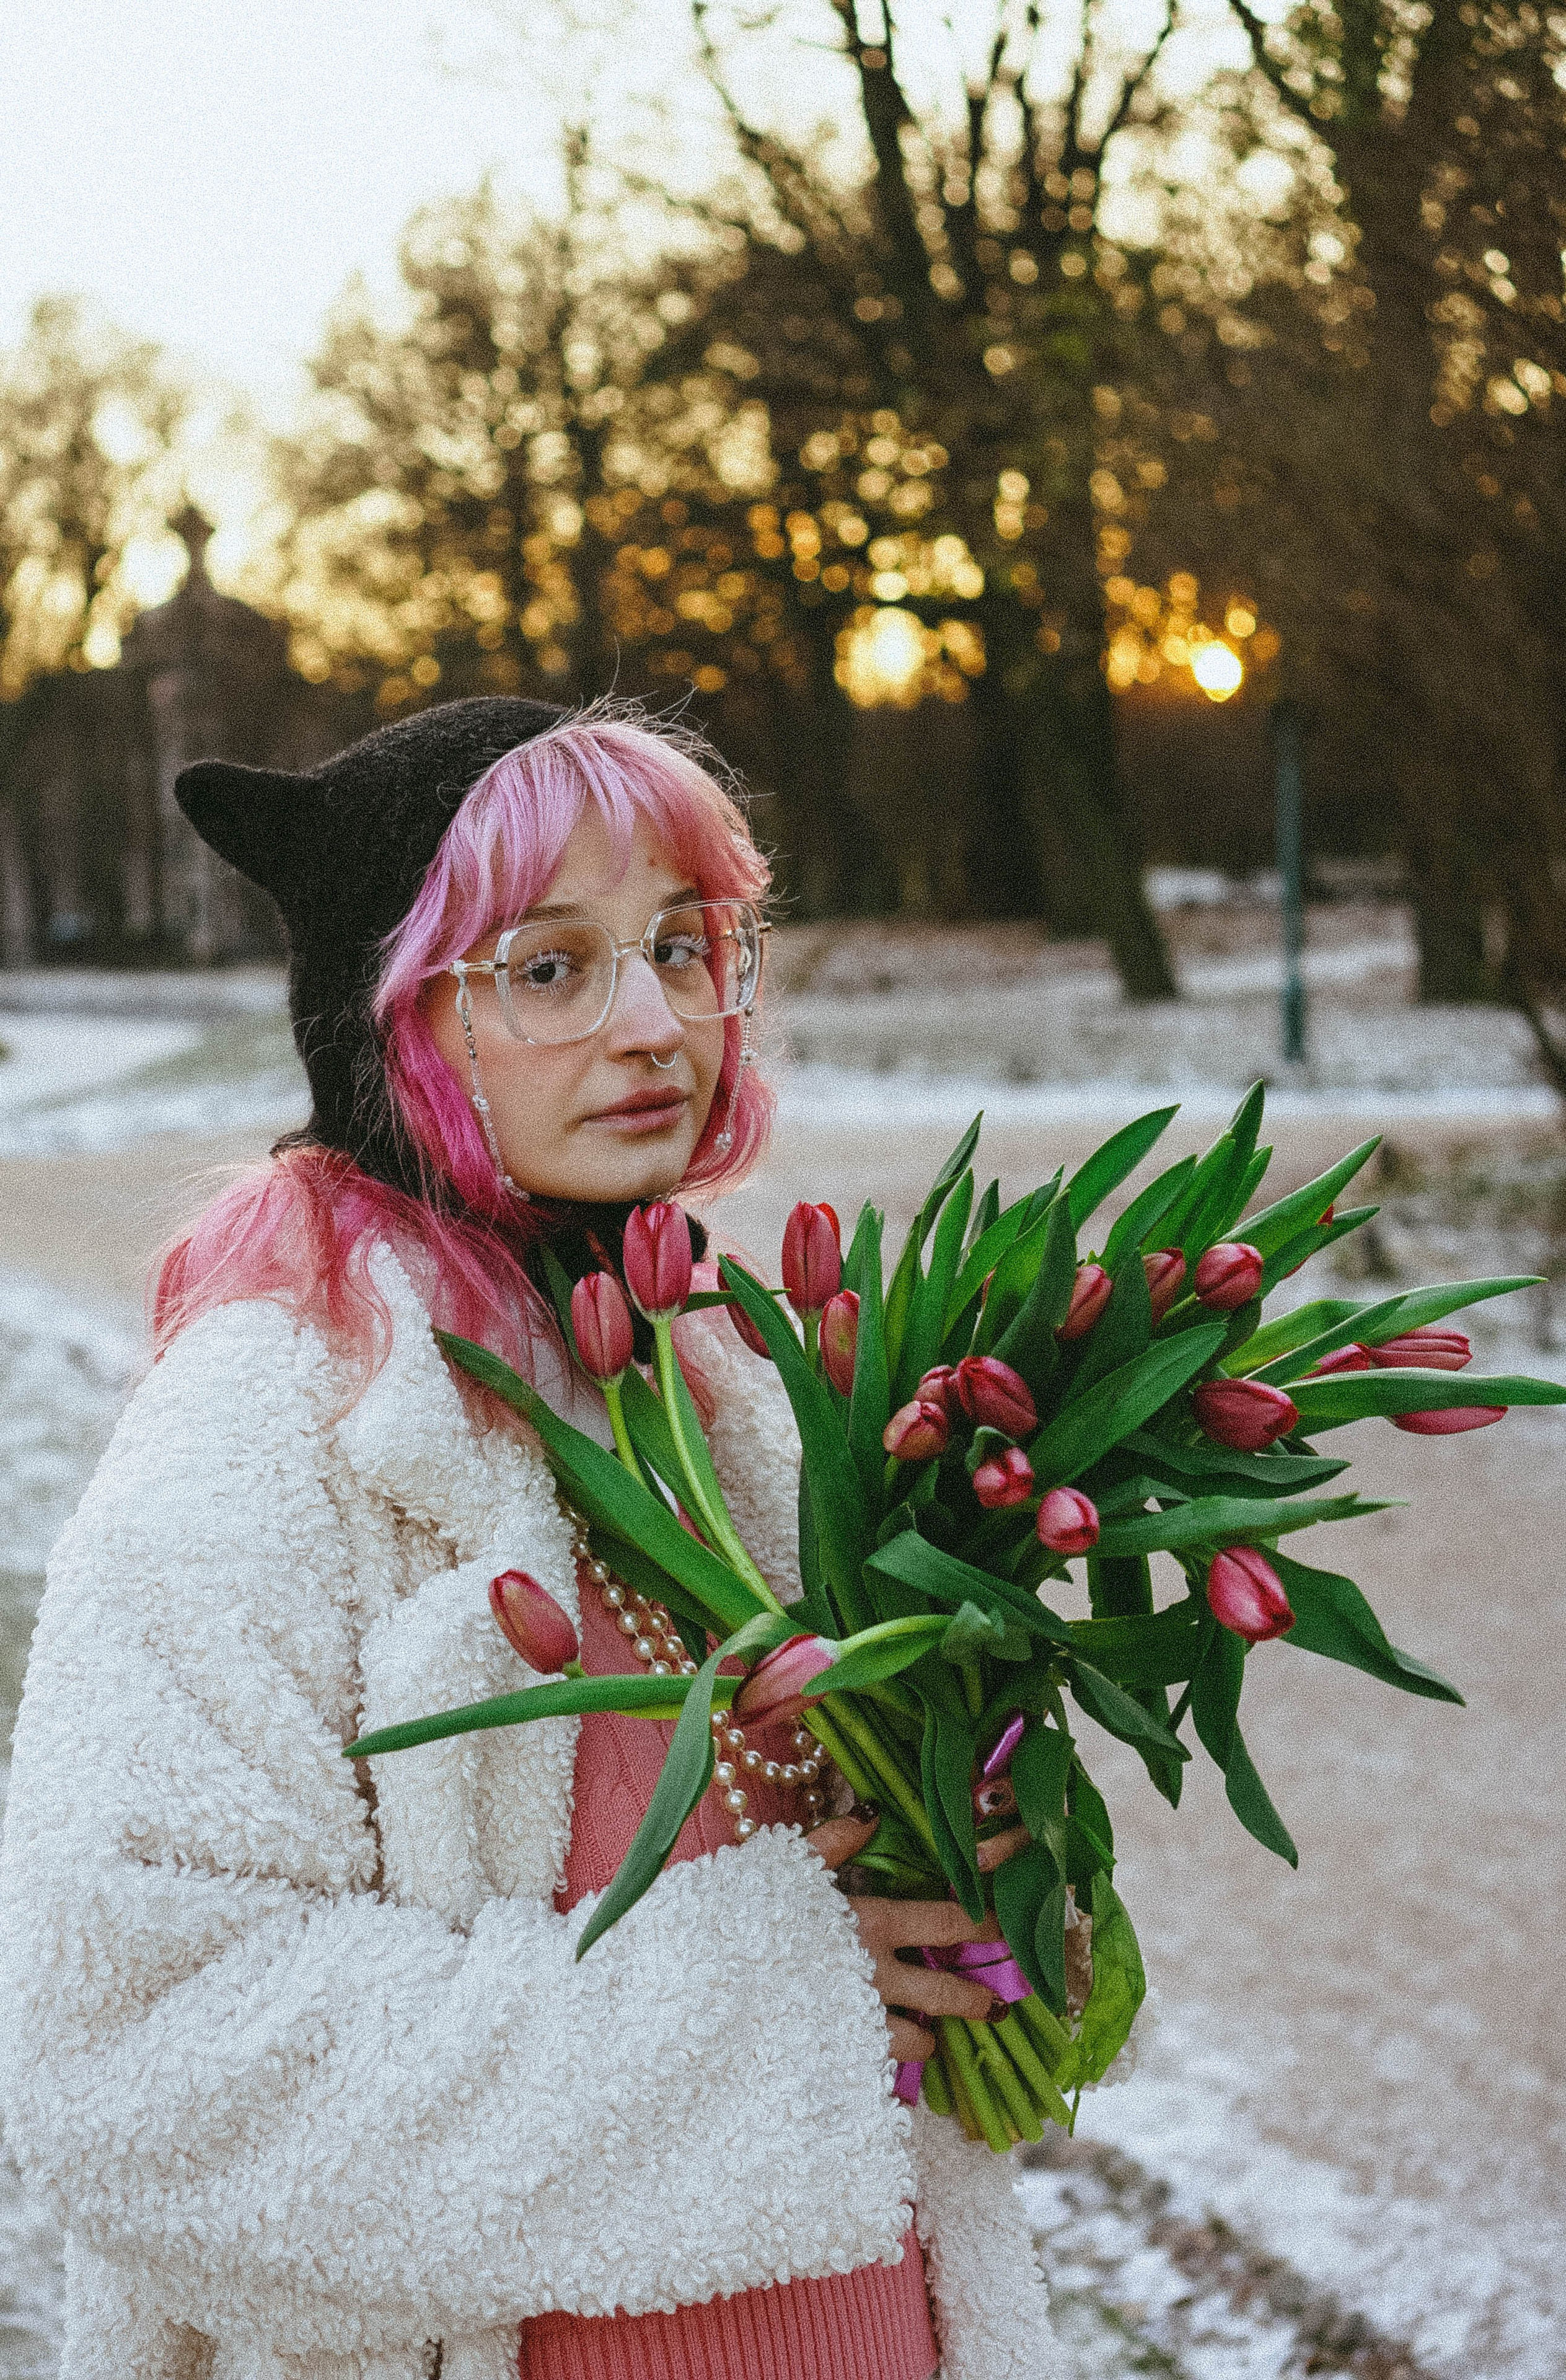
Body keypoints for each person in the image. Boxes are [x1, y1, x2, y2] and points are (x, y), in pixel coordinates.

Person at [0, 700, 1055, 2380]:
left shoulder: (728, 1376)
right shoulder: (270, 1420)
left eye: (684, 946)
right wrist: (778, 2007)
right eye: (553, 969)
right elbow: (135, 2064)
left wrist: (989, 1875)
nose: (656, 1023)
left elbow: (848, 1900)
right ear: (395, 1019)